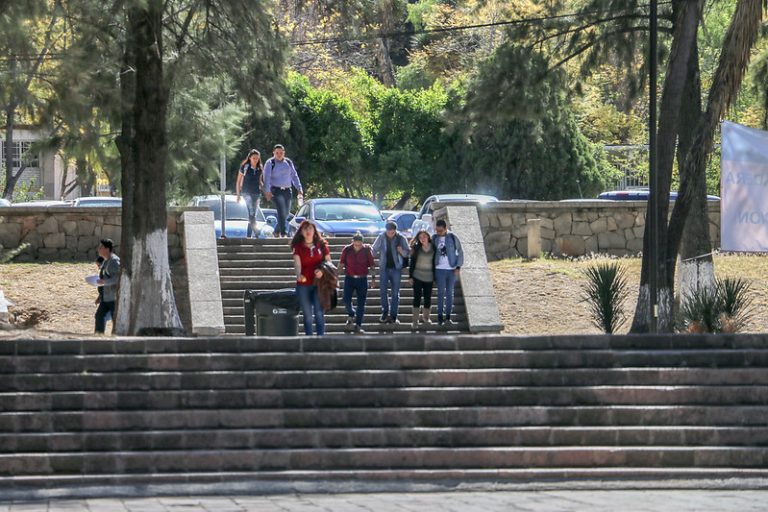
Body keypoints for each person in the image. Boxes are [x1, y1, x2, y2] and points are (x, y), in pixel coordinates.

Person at [291, 220, 330, 336]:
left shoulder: (322, 245)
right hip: (303, 284)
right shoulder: (297, 247)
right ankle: (309, 340)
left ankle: (320, 339)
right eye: (305, 229)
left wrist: (322, 271)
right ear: (301, 232)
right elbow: (297, 264)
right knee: (307, 315)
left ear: (314, 231)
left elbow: (329, 263)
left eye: (310, 228)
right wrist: (298, 274)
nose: (308, 231)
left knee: (319, 313)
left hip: (319, 283)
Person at [372, 221, 410, 324]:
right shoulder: (381, 237)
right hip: (384, 268)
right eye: (388, 232)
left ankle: (394, 316)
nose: (390, 234)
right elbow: (374, 249)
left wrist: (401, 251)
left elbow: (407, 253)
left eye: (392, 232)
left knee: (395, 293)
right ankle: (384, 312)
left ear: (395, 230)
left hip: (396, 268)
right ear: (386, 230)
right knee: (383, 291)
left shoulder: (401, 238)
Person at [338, 231, 375, 334]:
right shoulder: (347, 250)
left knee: (361, 304)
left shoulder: (366, 250)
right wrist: (336, 275)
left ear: (362, 243)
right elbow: (341, 264)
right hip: (349, 278)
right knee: (346, 299)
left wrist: (373, 279)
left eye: (359, 244)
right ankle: (351, 313)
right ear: (352, 242)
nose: (357, 246)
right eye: (356, 244)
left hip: (362, 279)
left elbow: (372, 265)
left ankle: (358, 325)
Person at [264, 144, 303, 238]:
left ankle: (276, 232)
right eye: (277, 153)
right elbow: (266, 178)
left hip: (287, 190)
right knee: (281, 210)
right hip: (275, 190)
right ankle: (283, 233)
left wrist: (299, 189)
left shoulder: (288, 162)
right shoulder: (270, 163)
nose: (279, 154)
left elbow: (294, 176)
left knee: (286, 213)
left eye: (281, 153)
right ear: (273, 153)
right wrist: (267, 191)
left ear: (284, 153)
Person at [433, 219, 464, 326]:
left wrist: (458, 267)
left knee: (450, 293)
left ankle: (448, 317)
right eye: (437, 230)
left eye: (440, 231)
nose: (438, 233)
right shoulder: (434, 238)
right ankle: (439, 316)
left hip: (451, 269)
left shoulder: (452, 237)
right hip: (439, 269)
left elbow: (460, 252)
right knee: (440, 293)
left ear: (445, 228)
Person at [408, 230, 435, 329]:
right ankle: (415, 321)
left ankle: (426, 318)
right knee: (417, 298)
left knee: (428, 298)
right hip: (417, 276)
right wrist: (410, 276)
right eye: (420, 237)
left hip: (429, 277)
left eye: (424, 236)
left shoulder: (434, 247)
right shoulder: (416, 248)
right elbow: (412, 263)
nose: (422, 239)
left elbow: (435, 263)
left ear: (428, 237)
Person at [235, 149, 264, 238]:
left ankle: (249, 235)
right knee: (251, 211)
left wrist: (265, 190)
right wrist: (238, 195)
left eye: (257, 158)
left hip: (256, 192)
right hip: (246, 192)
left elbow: (260, 181)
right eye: (254, 158)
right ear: (250, 158)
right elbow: (238, 181)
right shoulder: (245, 167)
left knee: (253, 214)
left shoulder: (260, 168)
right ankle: (256, 231)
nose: (255, 160)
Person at [95, 238, 120, 334]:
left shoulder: (114, 261)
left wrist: (105, 282)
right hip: (106, 298)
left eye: (101, 247)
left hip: (114, 298)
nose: (98, 249)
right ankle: (98, 338)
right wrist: (100, 296)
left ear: (107, 249)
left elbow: (118, 278)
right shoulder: (106, 261)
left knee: (116, 321)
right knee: (99, 316)